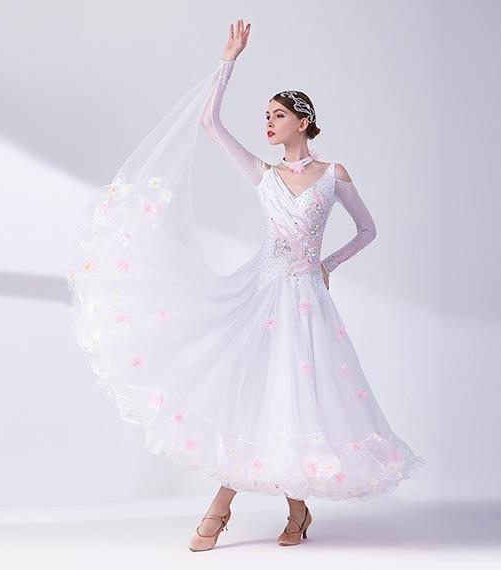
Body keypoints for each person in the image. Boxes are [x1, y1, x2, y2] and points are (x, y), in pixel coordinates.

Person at [68, 19, 424, 552]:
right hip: (264, 298)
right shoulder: (263, 173)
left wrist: (328, 264)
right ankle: (231, 508)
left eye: (278, 115)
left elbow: (368, 230)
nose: (269, 123)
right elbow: (209, 122)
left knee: (297, 400)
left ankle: (287, 511)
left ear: (304, 121)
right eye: (266, 116)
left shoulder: (334, 174)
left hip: (308, 302)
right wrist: (228, 60)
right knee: (258, 396)